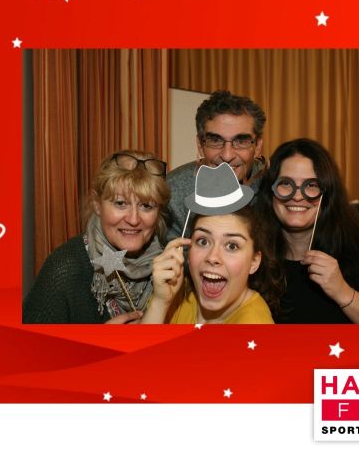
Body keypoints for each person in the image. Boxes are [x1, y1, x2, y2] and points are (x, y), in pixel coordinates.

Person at [256, 138, 359, 324]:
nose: (298, 197)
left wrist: (342, 292)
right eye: (286, 183)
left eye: (311, 185)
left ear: (327, 195)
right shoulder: (255, 254)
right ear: (271, 192)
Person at [23, 150, 170, 323]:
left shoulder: (168, 268)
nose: (133, 219)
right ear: (97, 204)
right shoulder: (65, 269)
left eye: (146, 206)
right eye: (120, 203)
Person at [142, 163, 281, 324]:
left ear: (254, 262)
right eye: (203, 241)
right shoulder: (175, 292)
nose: (213, 257)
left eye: (232, 246)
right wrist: (160, 302)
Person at [166, 90, 268, 242]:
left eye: (241, 141)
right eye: (215, 141)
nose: (227, 156)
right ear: (200, 145)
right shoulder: (173, 191)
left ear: (258, 146)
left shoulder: (274, 187)